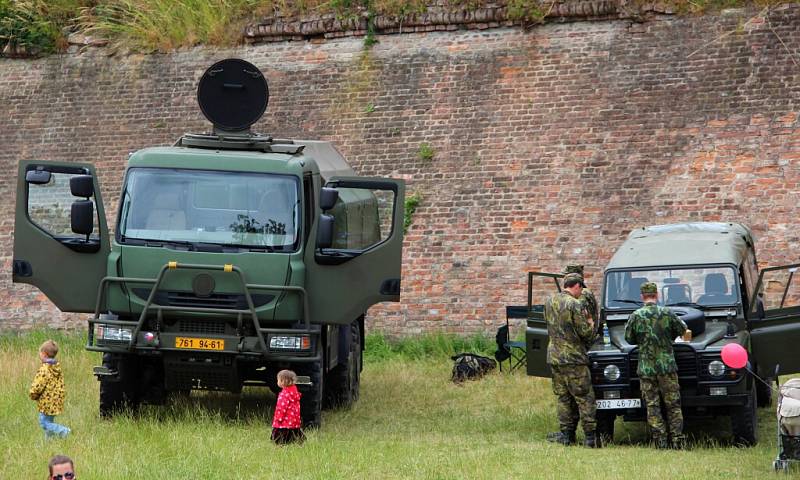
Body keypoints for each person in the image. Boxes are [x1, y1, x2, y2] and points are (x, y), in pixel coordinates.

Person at [624, 282, 688, 449]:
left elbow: (629, 339)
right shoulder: (667, 312)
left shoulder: (636, 315)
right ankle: (678, 440)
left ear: (641, 297)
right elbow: (683, 330)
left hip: (646, 368)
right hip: (667, 367)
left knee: (652, 405)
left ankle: (660, 440)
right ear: (657, 295)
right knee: (673, 404)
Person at [544, 273, 600, 448]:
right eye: (581, 288)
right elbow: (586, 333)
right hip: (574, 358)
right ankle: (590, 437)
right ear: (576, 286)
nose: (581, 291)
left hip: (555, 357)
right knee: (584, 397)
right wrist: (590, 323)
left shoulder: (549, 301)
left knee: (563, 397)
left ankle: (567, 434)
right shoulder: (575, 304)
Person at [30, 340, 70, 439]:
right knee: (49, 421)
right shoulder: (56, 367)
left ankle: (64, 431)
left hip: (47, 401)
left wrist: (33, 394)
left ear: (44, 354)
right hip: (55, 400)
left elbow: (38, 385)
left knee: (44, 423)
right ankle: (49, 440)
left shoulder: (45, 369)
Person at [563, 264, 600, 336]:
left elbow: (583, 316)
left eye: (567, 276)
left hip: (586, 335)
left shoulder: (582, 293)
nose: (565, 278)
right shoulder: (584, 291)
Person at [271, 369, 305, 445]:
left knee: (281, 437)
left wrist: (278, 418)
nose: (277, 382)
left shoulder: (284, 395)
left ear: (283, 382)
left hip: (284, 421)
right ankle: (294, 441)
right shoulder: (294, 393)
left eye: (278, 380)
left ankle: (282, 443)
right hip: (294, 420)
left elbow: (281, 407)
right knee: (293, 432)